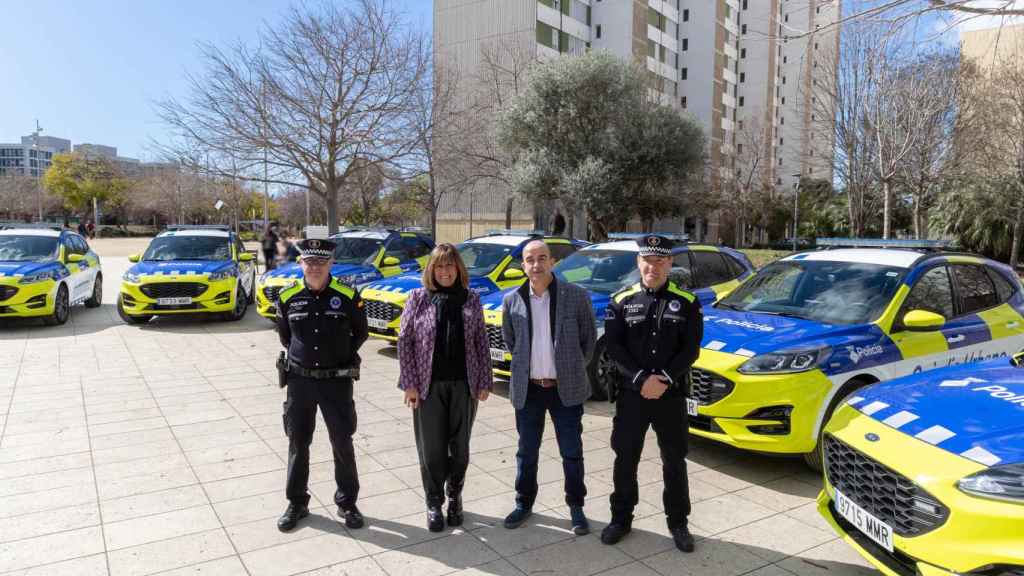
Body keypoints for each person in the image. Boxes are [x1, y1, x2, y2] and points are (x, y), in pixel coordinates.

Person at [600, 234, 703, 553]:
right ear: (638, 262)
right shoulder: (621, 300)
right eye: (647, 260)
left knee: (674, 460)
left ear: (670, 264)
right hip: (632, 395)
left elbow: (691, 349)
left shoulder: (687, 302)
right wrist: (642, 378)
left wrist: (665, 379)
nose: (653, 267)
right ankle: (621, 518)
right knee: (625, 458)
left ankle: (678, 522)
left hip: (670, 396)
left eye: (660, 261)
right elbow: (614, 348)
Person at [500, 240, 597, 535]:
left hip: (564, 390)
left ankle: (576, 507)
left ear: (553, 261)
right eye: (530, 259)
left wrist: (568, 368)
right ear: (523, 265)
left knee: (572, 451)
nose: (536, 264)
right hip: (529, 390)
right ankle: (523, 503)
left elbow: (588, 342)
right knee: (526, 452)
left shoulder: (576, 297)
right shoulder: (512, 299)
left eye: (542, 258)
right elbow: (511, 341)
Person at [397, 243, 493, 532]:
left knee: (460, 448)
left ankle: (455, 497)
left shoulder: (471, 299)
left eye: (450, 265)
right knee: (432, 449)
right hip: (427, 388)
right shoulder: (417, 298)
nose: (445, 271)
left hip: (464, 385)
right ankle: (433, 502)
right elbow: (405, 342)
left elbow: (480, 341)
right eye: (439, 266)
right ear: (431, 270)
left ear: (459, 269)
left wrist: (485, 380)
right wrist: (410, 384)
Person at [275, 238, 369, 532]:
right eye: (309, 261)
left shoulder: (347, 295)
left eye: (321, 262)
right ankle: (297, 502)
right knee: (298, 443)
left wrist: (339, 354)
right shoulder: (288, 296)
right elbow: (286, 336)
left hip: (336, 382)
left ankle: (347, 502)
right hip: (300, 382)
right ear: (300, 263)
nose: (315, 267)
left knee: (342, 442)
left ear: (331, 264)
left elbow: (360, 332)